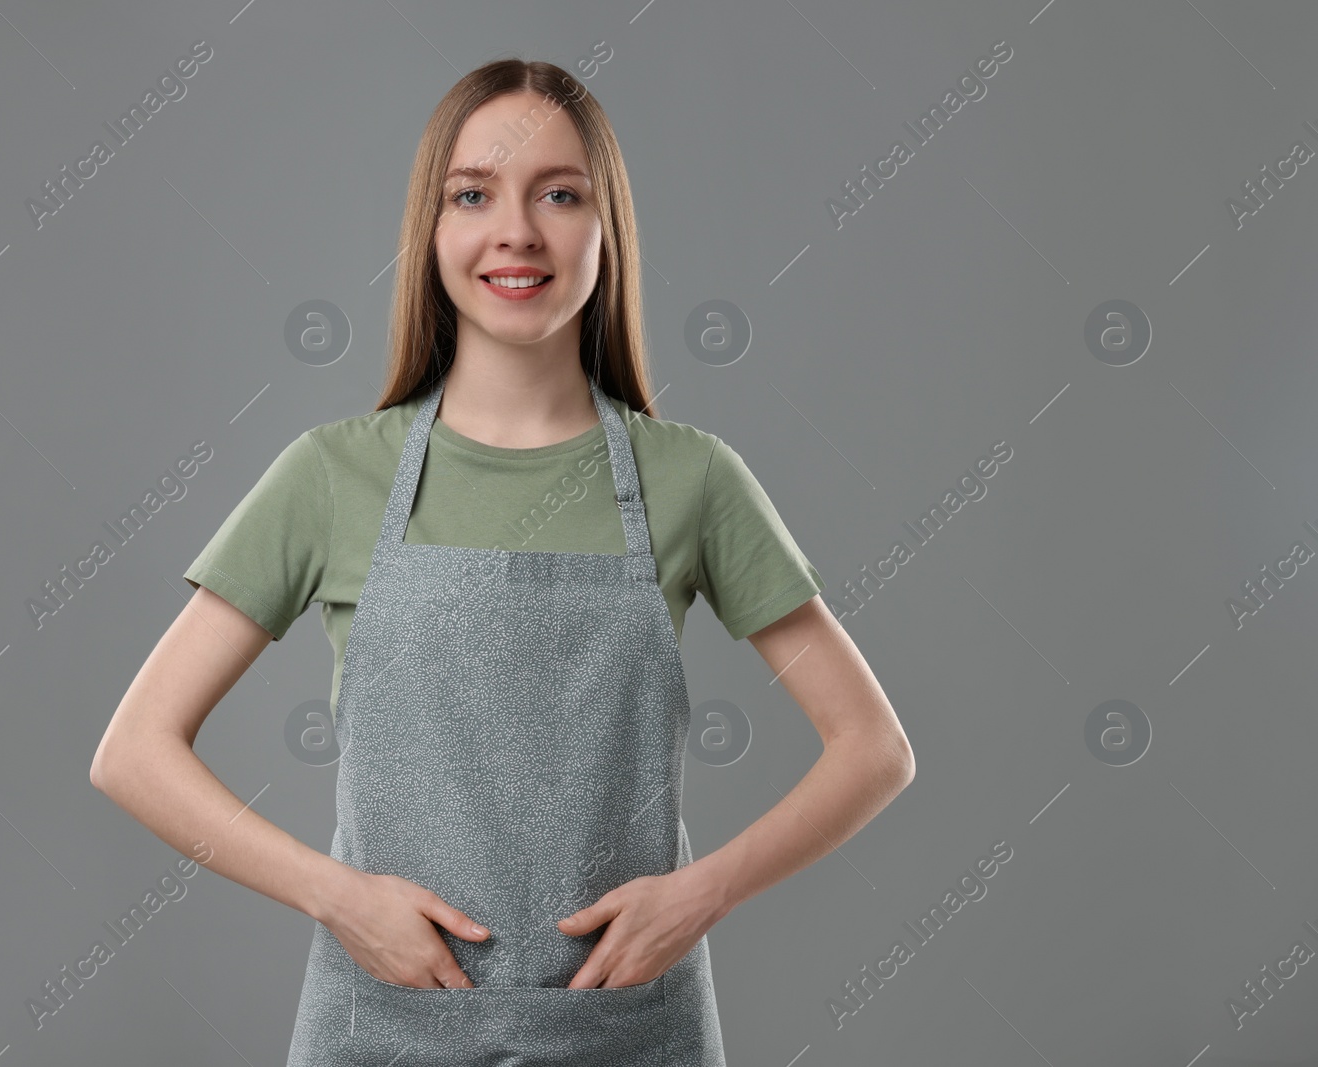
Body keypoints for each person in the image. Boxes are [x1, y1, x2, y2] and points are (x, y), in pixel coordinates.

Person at [90, 57, 914, 1067]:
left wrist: (701, 894)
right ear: (430, 232)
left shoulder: (691, 478)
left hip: (627, 1028)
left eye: (559, 194)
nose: (515, 229)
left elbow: (873, 748)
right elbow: (133, 751)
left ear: (605, 230)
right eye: (472, 194)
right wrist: (338, 895)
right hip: (380, 1024)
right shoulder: (332, 474)